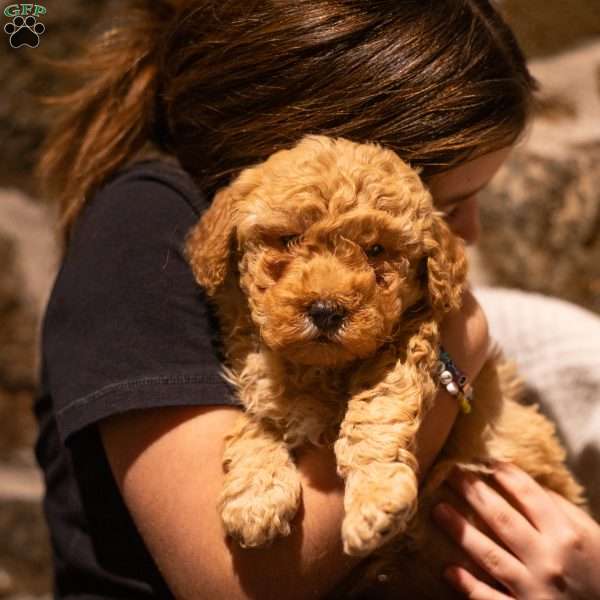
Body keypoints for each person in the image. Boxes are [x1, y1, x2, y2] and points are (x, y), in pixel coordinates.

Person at [33, 1, 600, 598]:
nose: (473, 232)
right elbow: (235, 582)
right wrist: (459, 347)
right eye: (453, 204)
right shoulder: (144, 225)